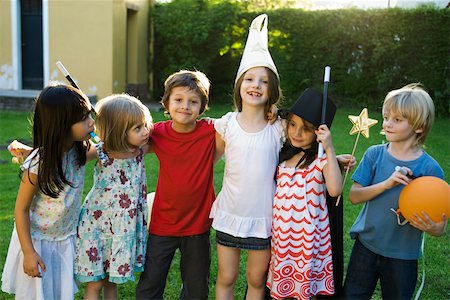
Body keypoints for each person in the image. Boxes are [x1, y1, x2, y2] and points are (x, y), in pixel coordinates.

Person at [343, 83, 447, 299]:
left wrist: (435, 228)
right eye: (386, 117)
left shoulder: (429, 169)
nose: (387, 124)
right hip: (366, 246)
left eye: (397, 120)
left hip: (403, 256)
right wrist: (387, 184)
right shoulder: (374, 155)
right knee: (353, 295)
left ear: (419, 127)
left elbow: (440, 227)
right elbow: (354, 196)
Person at [211, 14, 285, 299]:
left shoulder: (279, 128)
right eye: (250, 79)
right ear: (239, 85)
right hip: (230, 213)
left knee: (256, 280)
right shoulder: (227, 124)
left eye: (264, 81)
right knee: (226, 277)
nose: (256, 85)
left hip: (264, 217)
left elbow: (301, 156)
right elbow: (208, 162)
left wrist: (332, 157)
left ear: (271, 90)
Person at [1, 83, 96, 299]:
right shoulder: (39, 164)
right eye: (84, 118)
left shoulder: (79, 150)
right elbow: (21, 210)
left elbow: (110, 144)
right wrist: (28, 252)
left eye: (90, 114)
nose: (91, 122)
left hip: (65, 238)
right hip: (37, 243)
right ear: (61, 125)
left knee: (59, 293)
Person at [135, 70, 216, 299]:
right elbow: (129, 141)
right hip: (163, 221)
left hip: (198, 224)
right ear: (167, 103)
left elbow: (240, 125)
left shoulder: (211, 131)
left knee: (197, 287)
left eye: (193, 102)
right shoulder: (156, 132)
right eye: (178, 100)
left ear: (202, 107)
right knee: (151, 282)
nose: (185, 106)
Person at [266, 88, 343, 299]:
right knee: (281, 291)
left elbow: (335, 189)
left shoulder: (321, 162)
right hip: (281, 240)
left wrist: (330, 149)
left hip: (307, 244)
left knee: (303, 290)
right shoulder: (282, 157)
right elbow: (270, 119)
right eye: (292, 124)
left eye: (306, 129)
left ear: (319, 133)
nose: (297, 133)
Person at [74, 94, 152, 300]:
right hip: (97, 226)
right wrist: (31, 152)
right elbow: (67, 155)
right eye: (138, 128)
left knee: (112, 281)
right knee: (95, 282)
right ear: (117, 131)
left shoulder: (140, 149)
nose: (146, 132)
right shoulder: (101, 151)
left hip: (123, 226)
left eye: (145, 125)